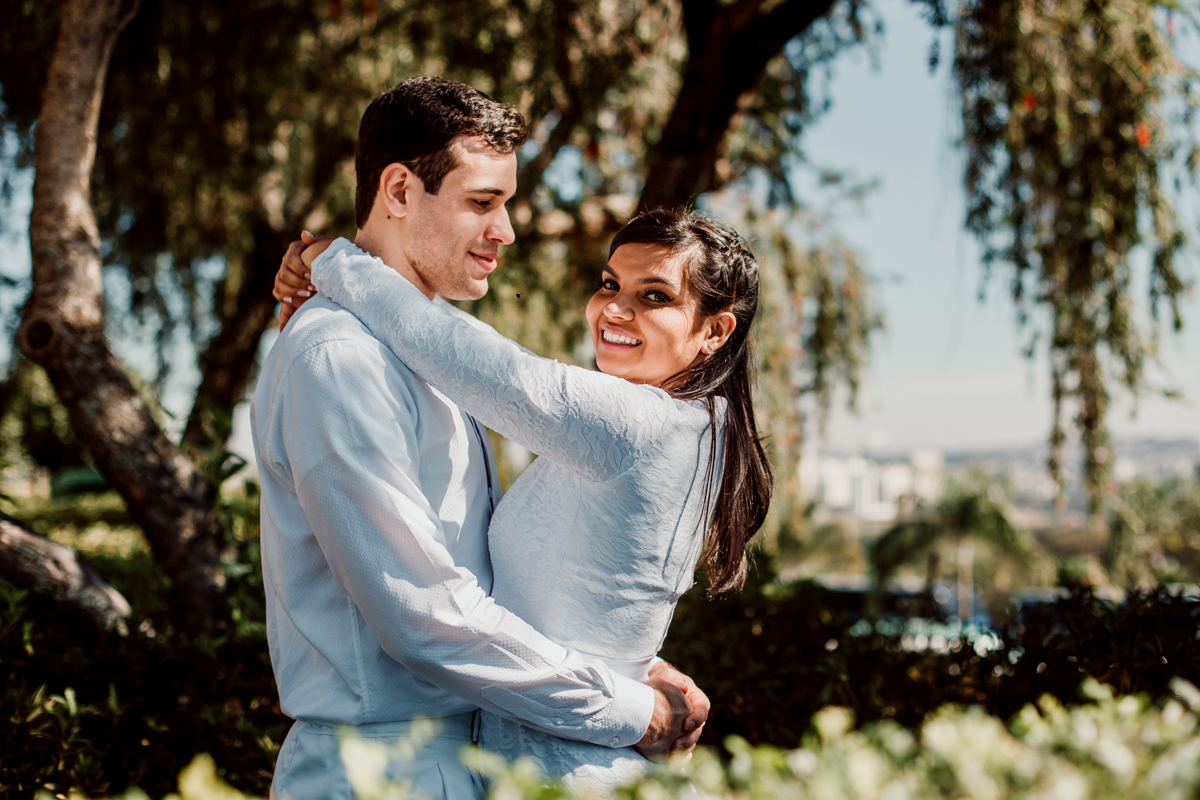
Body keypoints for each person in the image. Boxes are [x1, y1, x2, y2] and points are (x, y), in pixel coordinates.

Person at [251, 77, 703, 800]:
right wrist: (627, 711)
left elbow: (488, 577)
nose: (507, 231)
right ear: (399, 192)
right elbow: (424, 614)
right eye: (483, 203)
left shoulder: (428, 357)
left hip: (465, 758)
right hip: (380, 775)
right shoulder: (339, 358)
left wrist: (622, 665)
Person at [277, 206, 773, 791]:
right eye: (610, 284)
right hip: (557, 758)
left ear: (715, 332)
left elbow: (474, 360)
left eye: (655, 296)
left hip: (565, 771)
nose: (615, 309)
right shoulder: (692, 429)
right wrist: (636, 676)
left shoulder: (644, 426)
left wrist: (331, 262)